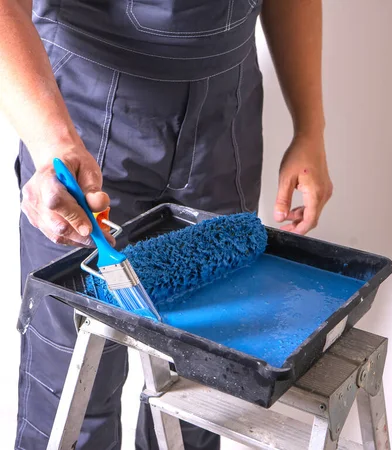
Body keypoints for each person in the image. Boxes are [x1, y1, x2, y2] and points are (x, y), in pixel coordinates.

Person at [0, 0, 333, 447]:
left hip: (225, 118)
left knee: (207, 378)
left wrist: (309, 129)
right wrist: (51, 141)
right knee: (73, 388)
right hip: (86, 116)